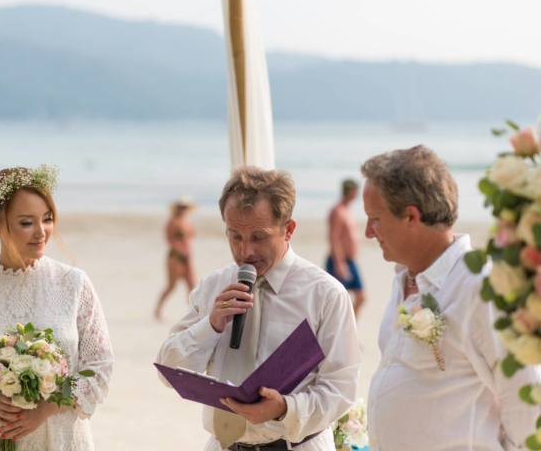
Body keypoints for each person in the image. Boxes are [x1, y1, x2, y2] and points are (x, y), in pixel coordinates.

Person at [157, 166, 361, 451]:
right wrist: (211, 325)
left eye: (259, 237)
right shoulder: (212, 286)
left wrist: (285, 408)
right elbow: (169, 370)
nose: (245, 252)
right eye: (235, 236)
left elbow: (341, 389)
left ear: (288, 229)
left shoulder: (326, 294)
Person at [361, 146, 541, 450]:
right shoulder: (404, 275)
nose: (367, 232)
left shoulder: (480, 286)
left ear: (410, 216)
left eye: (375, 218)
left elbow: (526, 397)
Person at [0, 165, 114, 451]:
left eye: (47, 219)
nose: (41, 232)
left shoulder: (75, 284)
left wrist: (48, 407)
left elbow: (100, 367)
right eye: (27, 222)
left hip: (63, 439)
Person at [326, 179, 366, 318]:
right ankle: (339, 335)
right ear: (351, 192)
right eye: (356, 192)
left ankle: (350, 331)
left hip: (351, 260)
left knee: (361, 297)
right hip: (340, 260)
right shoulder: (337, 211)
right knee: (339, 302)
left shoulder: (348, 210)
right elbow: (334, 238)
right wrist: (339, 263)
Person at [155, 195, 198, 321]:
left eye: (185, 207)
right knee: (171, 286)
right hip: (176, 258)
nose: (183, 209)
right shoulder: (173, 221)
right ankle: (158, 310)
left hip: (188, 257)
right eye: (181, 207)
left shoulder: (187, 220)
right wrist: (181, 251)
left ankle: (193, 314)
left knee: (192, 287)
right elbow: (169, 239)